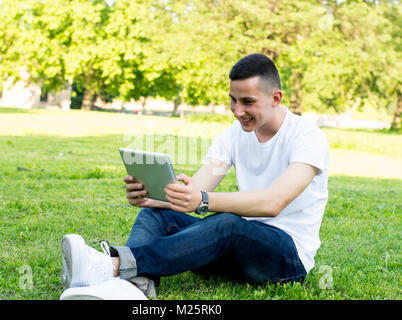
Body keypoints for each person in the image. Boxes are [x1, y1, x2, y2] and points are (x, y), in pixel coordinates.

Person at [59, 53, 329, 300]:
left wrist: (201, 199)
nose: (238, 111)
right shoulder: (233, 135)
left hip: (285, 259)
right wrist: (155, 199)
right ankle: (133, 287)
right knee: (158, 216)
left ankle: (111, 265)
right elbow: (198, 190)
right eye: (233, 100)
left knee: (227, 223)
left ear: (276, 98)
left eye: (248, 102)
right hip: (233, 252)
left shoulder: (307, 137)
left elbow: (273, 202)